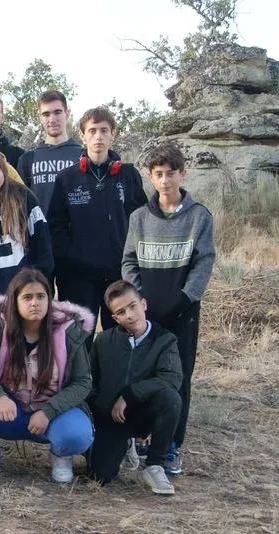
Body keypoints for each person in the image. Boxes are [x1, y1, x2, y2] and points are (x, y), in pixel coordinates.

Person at [122, 143, 215, 475]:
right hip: (146, 313)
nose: (164, 180)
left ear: (182, 174)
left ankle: (172, 445)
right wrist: (139, 302)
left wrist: (185, 299)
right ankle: (143, 437)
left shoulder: (198, 216)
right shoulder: (139, 218)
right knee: (143, 373)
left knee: (178, 376)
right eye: (158, 174)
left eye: (170, 174)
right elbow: (129, 260)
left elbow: (204, 262)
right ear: (150, 176)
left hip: (182, 312)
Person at [0, 268, 94, 482]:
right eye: (27, 297)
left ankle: (61, 455)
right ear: (15, 300)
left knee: (78, 435)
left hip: (51, 417)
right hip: (9, 414)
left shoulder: (69, 331)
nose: (35, 303)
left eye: (41, 296)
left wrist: (49, 411)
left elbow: (83, 382)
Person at [48, 107, 148, 337]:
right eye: (92, 131)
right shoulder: (67, 178)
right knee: (77, 338)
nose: (98, 137)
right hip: (78, 276)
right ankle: (80, 375)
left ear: (113, 134)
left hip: (119, 273)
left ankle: (116, 374)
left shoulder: (129, 175)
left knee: (121, 336)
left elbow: (141, 220)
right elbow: (55, 225)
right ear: (82, 135)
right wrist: (73, 254)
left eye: (104, 130)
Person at [87, 280, 183, 494]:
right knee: (99, 475)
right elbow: (89, 381)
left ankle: (155, 465)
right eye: (121, 312)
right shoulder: (103, 342)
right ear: (114, 318)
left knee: (170, 399)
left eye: (133, 306)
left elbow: (172, 378)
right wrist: (99, 409)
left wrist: (130, 395)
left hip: (144, 412)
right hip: (112, 417)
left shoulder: (165, 340)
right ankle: (123, 445)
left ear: (144, 304)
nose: (129, 315)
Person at [0, 149, 53, 295]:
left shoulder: (25, 197)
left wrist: (38, 277)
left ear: (3, 169)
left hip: (28, 288)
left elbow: (42, 242)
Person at [16, 90, 82, 215]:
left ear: (67, 113)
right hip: (40, 233)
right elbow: (20, 204)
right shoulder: (27, 160)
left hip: (76, 233)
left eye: (57, 112)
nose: (52, 119)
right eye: (46, 114)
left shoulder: (83, 156)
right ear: (40, 117)